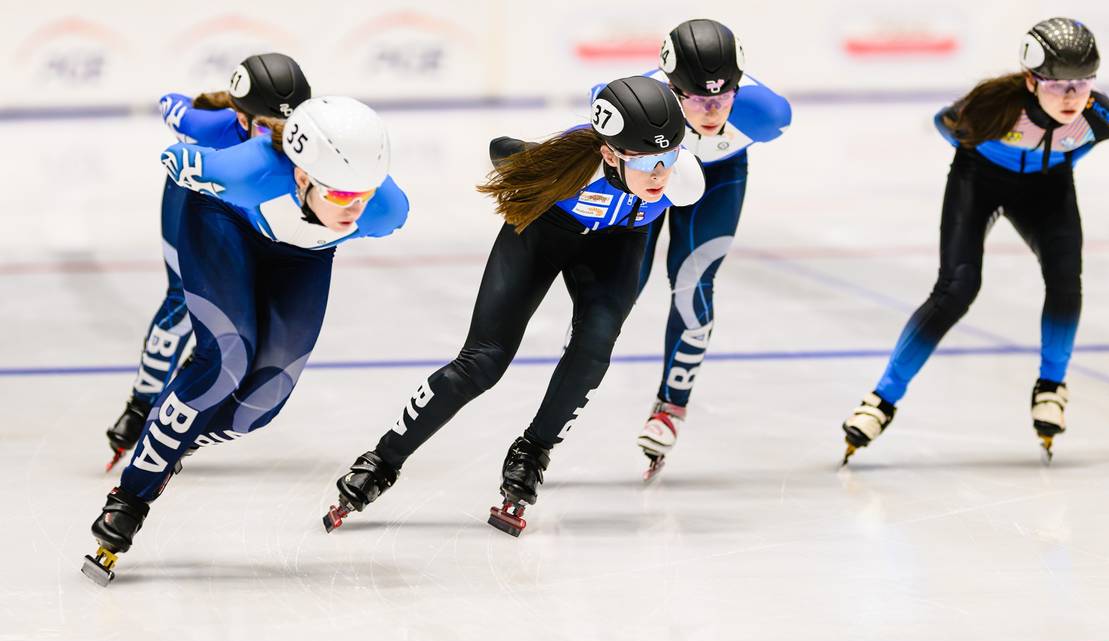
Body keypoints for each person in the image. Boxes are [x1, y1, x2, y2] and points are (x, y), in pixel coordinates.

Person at [322, 76, 704, 538]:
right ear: (608, 153)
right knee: (482, 362)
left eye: (668, 158)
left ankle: (532, 452)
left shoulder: (684, 179)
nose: (660, 174)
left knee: (595, 347)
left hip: (619, 242)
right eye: (645, 162)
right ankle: (383, 460)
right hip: (546, 231)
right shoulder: (569, 165)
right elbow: (501, 149)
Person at [83, 96, 410, 586]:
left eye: (364, 193)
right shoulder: (247, 171)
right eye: (341, 196)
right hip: (223, 223)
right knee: (226, 359)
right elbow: (175, 158)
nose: (357, 208)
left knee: (261, 403)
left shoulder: (386, 210)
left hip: (303, 256)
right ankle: (130, 498)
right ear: (300, 176)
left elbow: (361, 201)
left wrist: (349, 200)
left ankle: (174, 430)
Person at [841, 18, 1109, 465]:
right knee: (957, 288)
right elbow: (946, 125)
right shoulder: (990, 107)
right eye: (1056, 84)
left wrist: (1048, 163)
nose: (1071, 96)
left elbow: (1080, 143)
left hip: (1049, 187)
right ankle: (882, 398)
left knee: (1066, 277)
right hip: (980, 181)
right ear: (1031, 81)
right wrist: (993, 160)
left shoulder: (1101, 119)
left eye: (1082, 83)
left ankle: (1052, 386)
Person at [104, 53, 311, 471]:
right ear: (238, 116)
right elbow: (170, 102)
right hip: (195, 201)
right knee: (183, 300)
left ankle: (178, 399)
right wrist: (205, 106)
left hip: (247, 212)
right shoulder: (209, 126)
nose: (278, 135)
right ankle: (141, 405)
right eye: (265, 124)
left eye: (287, 125)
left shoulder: (303, 135)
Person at [634, 18, 791, 480]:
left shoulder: (765, 113)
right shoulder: (640, 98)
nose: (711, 111)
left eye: (723, 98)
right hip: (648, 171)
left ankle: (670, 408)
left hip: (720, 174)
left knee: (693, 281)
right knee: (623, 282)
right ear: (671, 88)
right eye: (698, 99)